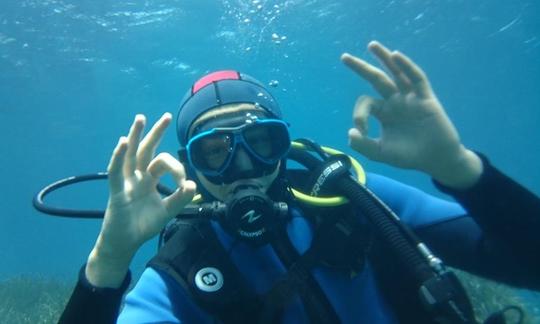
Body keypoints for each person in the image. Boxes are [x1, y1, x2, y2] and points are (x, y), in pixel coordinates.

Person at [59, 41, 540, 324]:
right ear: (192, 166)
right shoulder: (181, 272)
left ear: (284, 144)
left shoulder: (355, 198)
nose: (244, 167)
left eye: (261, 141)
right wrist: (109, 260)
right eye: (215, 151)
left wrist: (461, 169)